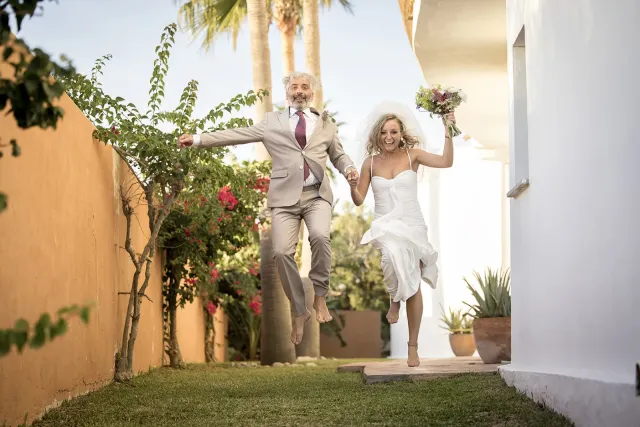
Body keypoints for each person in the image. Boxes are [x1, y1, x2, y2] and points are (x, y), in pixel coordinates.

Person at [178, 71, 359, 345]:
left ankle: (320, 296)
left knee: (320, 236)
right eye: (294, 87)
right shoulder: (272, 122)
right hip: (284, 199)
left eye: (305, 87)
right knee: (282, 253)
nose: (299, 91)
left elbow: (339, 154)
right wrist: (198, 139)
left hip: (316, 195)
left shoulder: (326, 123)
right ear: (287, 93)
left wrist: (349, 169)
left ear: (312, 93)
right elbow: (238, 134)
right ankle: (300, 309)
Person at [349, 104, 455, 367]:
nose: (389, 136)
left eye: (394, 132)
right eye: (384, 132)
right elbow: (359, 199)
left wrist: (448, 129)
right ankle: (394, 298)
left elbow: (446, 161)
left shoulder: (412, 156)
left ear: (401, 134)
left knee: (414, 279)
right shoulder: (370, 163)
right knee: (390, 258)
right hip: (386, 224)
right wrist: (352, 185)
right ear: (377, 134)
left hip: (412, 223)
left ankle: (412, 346)